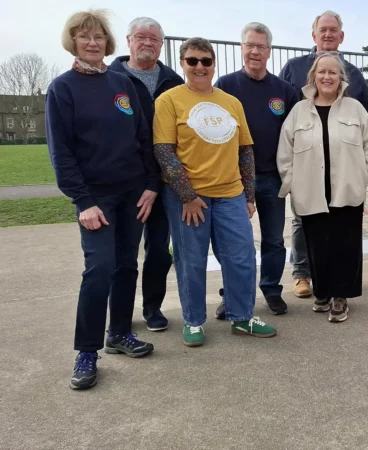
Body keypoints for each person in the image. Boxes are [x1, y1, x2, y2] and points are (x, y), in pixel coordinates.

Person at [46, 9, 158, 390]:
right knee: (99, 269)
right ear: (73, 42)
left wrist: (151, 185)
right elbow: (61, 153)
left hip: (133, 194)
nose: (92, 43)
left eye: (98, 37)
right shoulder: (63, 88)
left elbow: (144, 138)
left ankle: (120, 333)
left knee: (127, 265)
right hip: (96, 199)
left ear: (108, 43)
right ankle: (87, 351)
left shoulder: (122, 84)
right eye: (84, 37)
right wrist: (83, 201)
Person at [153, 37, 277, 347]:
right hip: (189, 198)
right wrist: (187, 195)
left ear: (213, 64)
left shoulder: (230, 102)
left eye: (205, 61)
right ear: (183, 64)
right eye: (192, 60)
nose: (199, 66)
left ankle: (242, 317)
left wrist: (248, 195)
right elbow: (164, 151)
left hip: (230, 194)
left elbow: (245, 150)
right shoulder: (169, 100)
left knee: (242, 257)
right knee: (191, 260)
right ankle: (194, 321)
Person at [277, 53, 368, 322]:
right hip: (310, 189)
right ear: (313, 76)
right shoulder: (299, 110)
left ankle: (340, 296)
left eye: (333, 72)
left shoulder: (354, 108)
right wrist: (290, 183)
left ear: (341, 78)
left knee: (344, 245)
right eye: (321, 72)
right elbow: (285, 150)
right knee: (317, 244)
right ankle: (322, 292)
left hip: (347, 188)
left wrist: (366, 176)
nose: (327, 77)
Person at [213, 22, 299, 318]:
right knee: (235, 244)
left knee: (274, 239)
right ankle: (232, 295)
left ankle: (272, 290)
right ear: (242, 48)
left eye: (261, 46)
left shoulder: (284, 91)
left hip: (273, 178)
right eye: (250, 45)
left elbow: (295, 136)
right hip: (233, 180)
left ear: (269, 51)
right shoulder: (224, 86)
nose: (255, 51)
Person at [108, 17, 184, 332]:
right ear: (128, 40)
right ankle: (120, 318)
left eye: (154, 39)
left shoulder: (173, 80)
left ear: (161, 45)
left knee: (158, 250)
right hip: (124, 182)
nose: (147, 43)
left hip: (163, 180)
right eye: (141, 37)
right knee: (123, 255)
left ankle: (153, 307)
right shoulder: (110, 76)